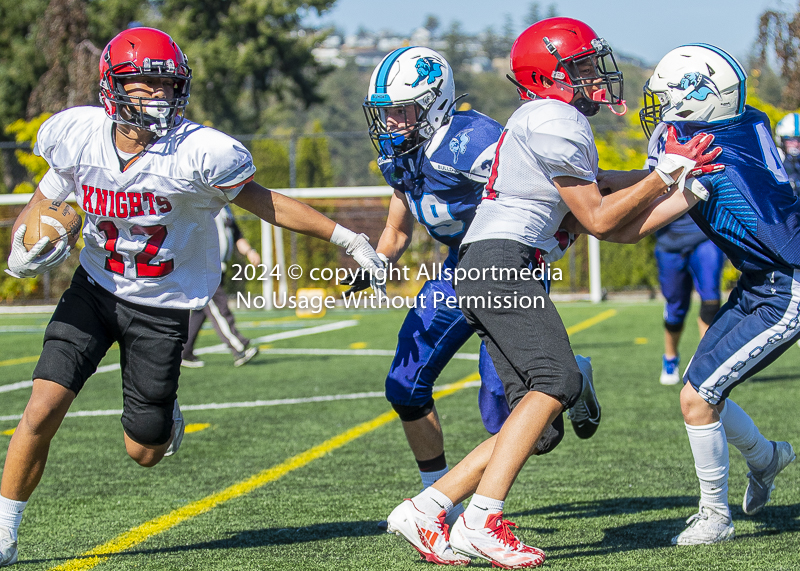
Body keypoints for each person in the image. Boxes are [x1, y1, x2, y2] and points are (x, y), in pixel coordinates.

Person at [0, 27, 385, 567]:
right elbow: (44, 202)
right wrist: (22, 248)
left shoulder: (198, 151)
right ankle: (4, 536)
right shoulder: (77, 134)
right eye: (144, 86)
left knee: (145, 451)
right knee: (42, 405)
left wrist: (344, 237)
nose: (157, 97)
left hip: (162, 305)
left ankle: (163, 416)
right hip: (93, 290)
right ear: (114, 88)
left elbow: (266, 202)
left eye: (167, 87)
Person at [385, 18, 720, 568]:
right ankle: (481, 519)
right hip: (502, 265)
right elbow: (600, 216)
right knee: (558, 380)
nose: (593, 78)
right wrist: (662, 178)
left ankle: (428, 507)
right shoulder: (555, 118)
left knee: (535, 419)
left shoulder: (542, 118)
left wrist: (685, 189)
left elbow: (617, 218)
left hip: (484, 264)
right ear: (553, 73)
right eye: (583, 66)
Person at [355, 46, 600, 536]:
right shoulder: (399, 155)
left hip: (506, 264)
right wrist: (377, 262)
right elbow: (398, 231)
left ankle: (573, 378)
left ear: (435, 102)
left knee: (523, 420)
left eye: (402, 110)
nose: (393, 123)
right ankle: (438, 497)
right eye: (386, 113)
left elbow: (545, 187)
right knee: (403, 385)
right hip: (454, 272)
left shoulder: (472, 139)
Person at [598, 43, 797, 545]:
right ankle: (767, 457)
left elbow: (626, 230)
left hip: (788, 283)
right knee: (700, 388)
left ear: (699, 100)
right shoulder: (742, 120)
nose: (660, 109)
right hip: (761, 278)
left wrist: (579, 199)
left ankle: (716, 516)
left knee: (698, 396)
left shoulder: (712, 159)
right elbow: (655, 177)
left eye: (668, 98)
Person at [181, 205, 261, 368]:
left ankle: (184, 352)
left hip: (218, 268)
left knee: (200, 312)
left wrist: (250, 251)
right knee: (220, 308)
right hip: (202, 268)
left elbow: (236, 235)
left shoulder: (225, 208)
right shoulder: (199, 204)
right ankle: (239, 348)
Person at [654, 214, 724, 385]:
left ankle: (705, 363)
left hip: (705, 237)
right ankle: (670, 359)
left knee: (711, 302)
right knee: (676, 308)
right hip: (669, 243)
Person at [774, 112, 800, 195]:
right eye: (789, 139)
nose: (795, 144)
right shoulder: (775, 158)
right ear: (781, 140)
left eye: (798, 139)